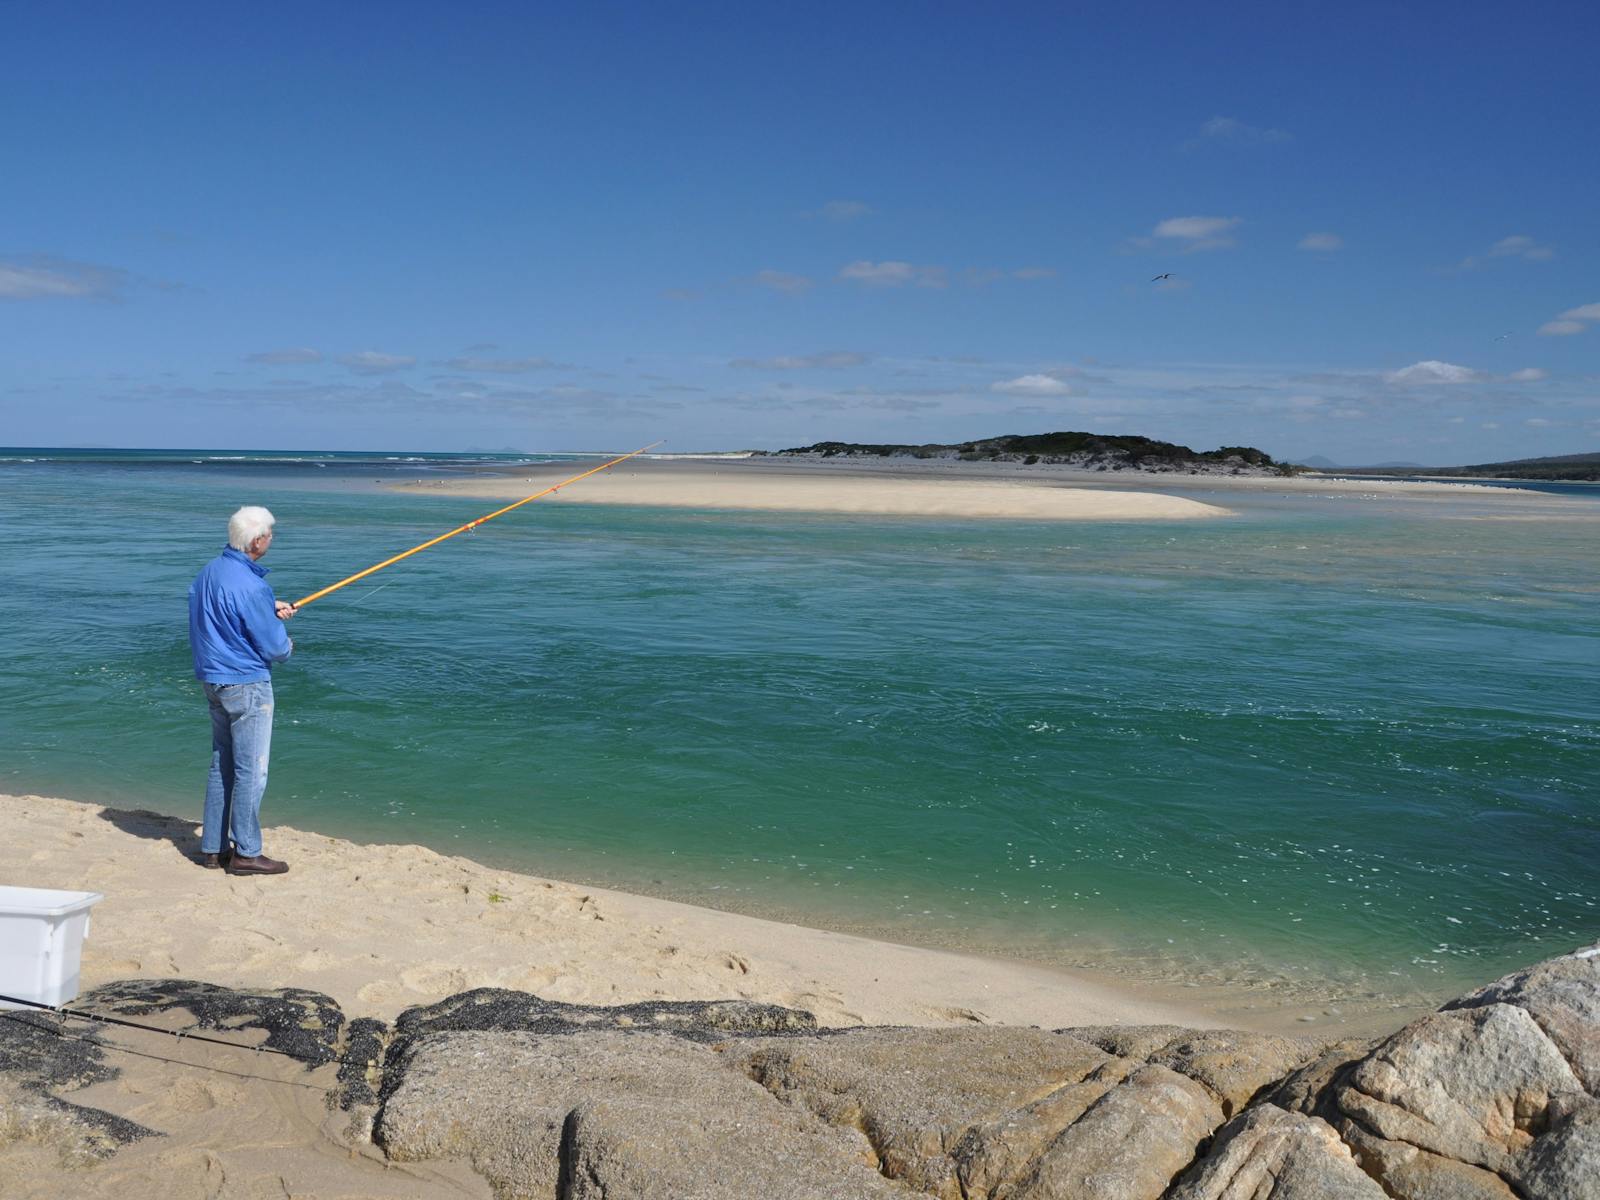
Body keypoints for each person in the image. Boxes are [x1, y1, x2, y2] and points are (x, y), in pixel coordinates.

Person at [187, 506, 298, 875]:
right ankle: (247, 853)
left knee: (223, 763)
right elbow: (275, 648)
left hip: (213, 680)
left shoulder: (210, 572)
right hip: (245, 684)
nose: (271, 538)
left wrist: (269, 607)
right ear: (256, 541)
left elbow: (224, 613)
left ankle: (213, 848)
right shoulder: (251, 585)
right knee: (252, 769)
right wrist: (286, 641)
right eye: (269, 533)